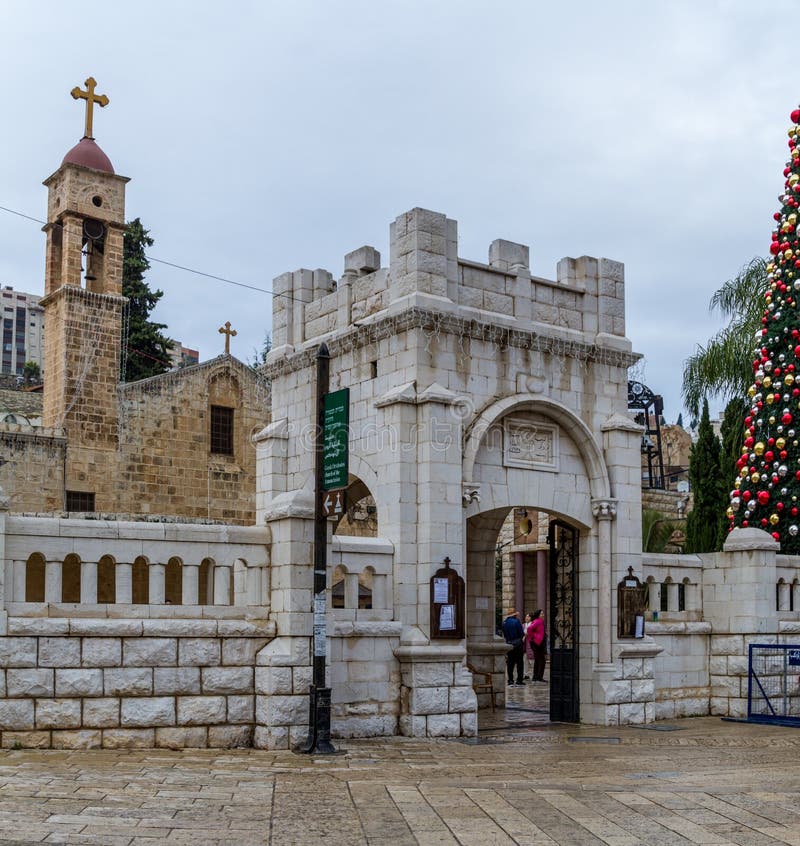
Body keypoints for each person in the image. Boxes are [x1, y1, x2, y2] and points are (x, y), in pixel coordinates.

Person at [501, 608, 525, 686]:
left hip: (509, 643)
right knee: (519, 662)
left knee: (510, 663)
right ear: (514, 615)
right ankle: (519, 680)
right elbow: (521, 633)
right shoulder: (516, 621)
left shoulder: (504, 623)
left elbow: (504, 634)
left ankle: (510, 680)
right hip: (517, 643)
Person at [527, 608, 546, 682]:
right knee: (541, 660)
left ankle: (536, 677)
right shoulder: (538, 621)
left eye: (543, 613)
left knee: (538, 660)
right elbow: (529, 629)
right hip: (537, 643)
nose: (543, 615)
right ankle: (538, 677)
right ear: (538, 615)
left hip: (538, 643)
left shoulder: (539, 621)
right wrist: (534, 637)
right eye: (541, 613)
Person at [522, 612, 534, 680]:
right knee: (525, 660)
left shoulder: (533, 625)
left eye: (528, 617)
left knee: (532, 660)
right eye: (526, 616)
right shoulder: (523, 625)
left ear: (531, 618)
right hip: (524, 645)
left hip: (530, 645)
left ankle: (534, 674)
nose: (526, 618)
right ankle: (525, 674)